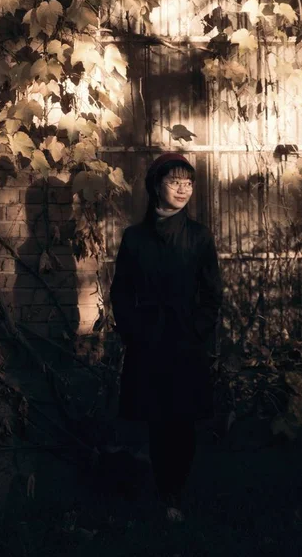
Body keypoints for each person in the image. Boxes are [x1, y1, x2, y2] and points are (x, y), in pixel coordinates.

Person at [110, 152, 222, 523]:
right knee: (157, 419)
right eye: (174, 181)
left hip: (186, 341)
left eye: (188, 182)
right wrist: (134, 333)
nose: (183, 189)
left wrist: (198, 331)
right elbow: (121, 293)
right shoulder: (135, 238)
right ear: (156, 186)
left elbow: (212, 295)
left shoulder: (199, 237)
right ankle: (166, 492)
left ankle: (178, 487)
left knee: (184, 420)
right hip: (148, 342)